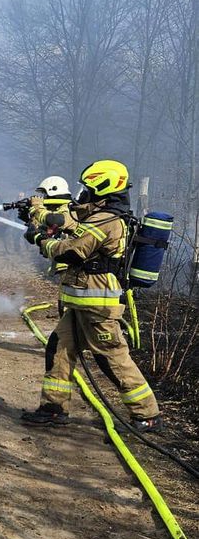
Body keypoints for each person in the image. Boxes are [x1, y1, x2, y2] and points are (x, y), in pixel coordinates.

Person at [20, 159, 159, 429]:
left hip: (97, 305)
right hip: (82, 302)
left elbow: (73, 250)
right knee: (59, 350)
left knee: (113, 359)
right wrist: (38, 212)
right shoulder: (99, 214)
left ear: (103, 188)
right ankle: (53, 408)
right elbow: (71, 217)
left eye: (89, 189)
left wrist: (41, 240)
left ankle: (147, 415)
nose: (84, 193)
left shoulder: (108, 220)